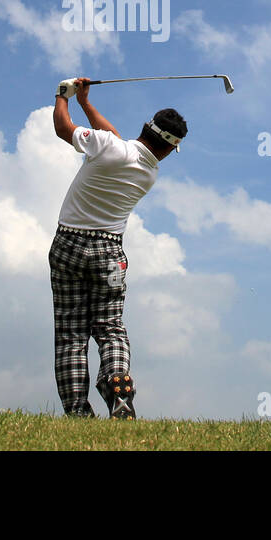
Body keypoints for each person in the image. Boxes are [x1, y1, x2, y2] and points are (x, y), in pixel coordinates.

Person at [49, 76, 186, 419]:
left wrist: (63, 96)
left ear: (145, 127)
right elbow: (114, 140)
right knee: (110, 328)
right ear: (168, 150)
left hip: (68, 245)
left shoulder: (108, 149)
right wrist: (86, 103)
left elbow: (63, 129)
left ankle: (78, 411)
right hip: (110, 254)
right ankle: (116, 381)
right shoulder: (148, 172)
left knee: (71, 332)